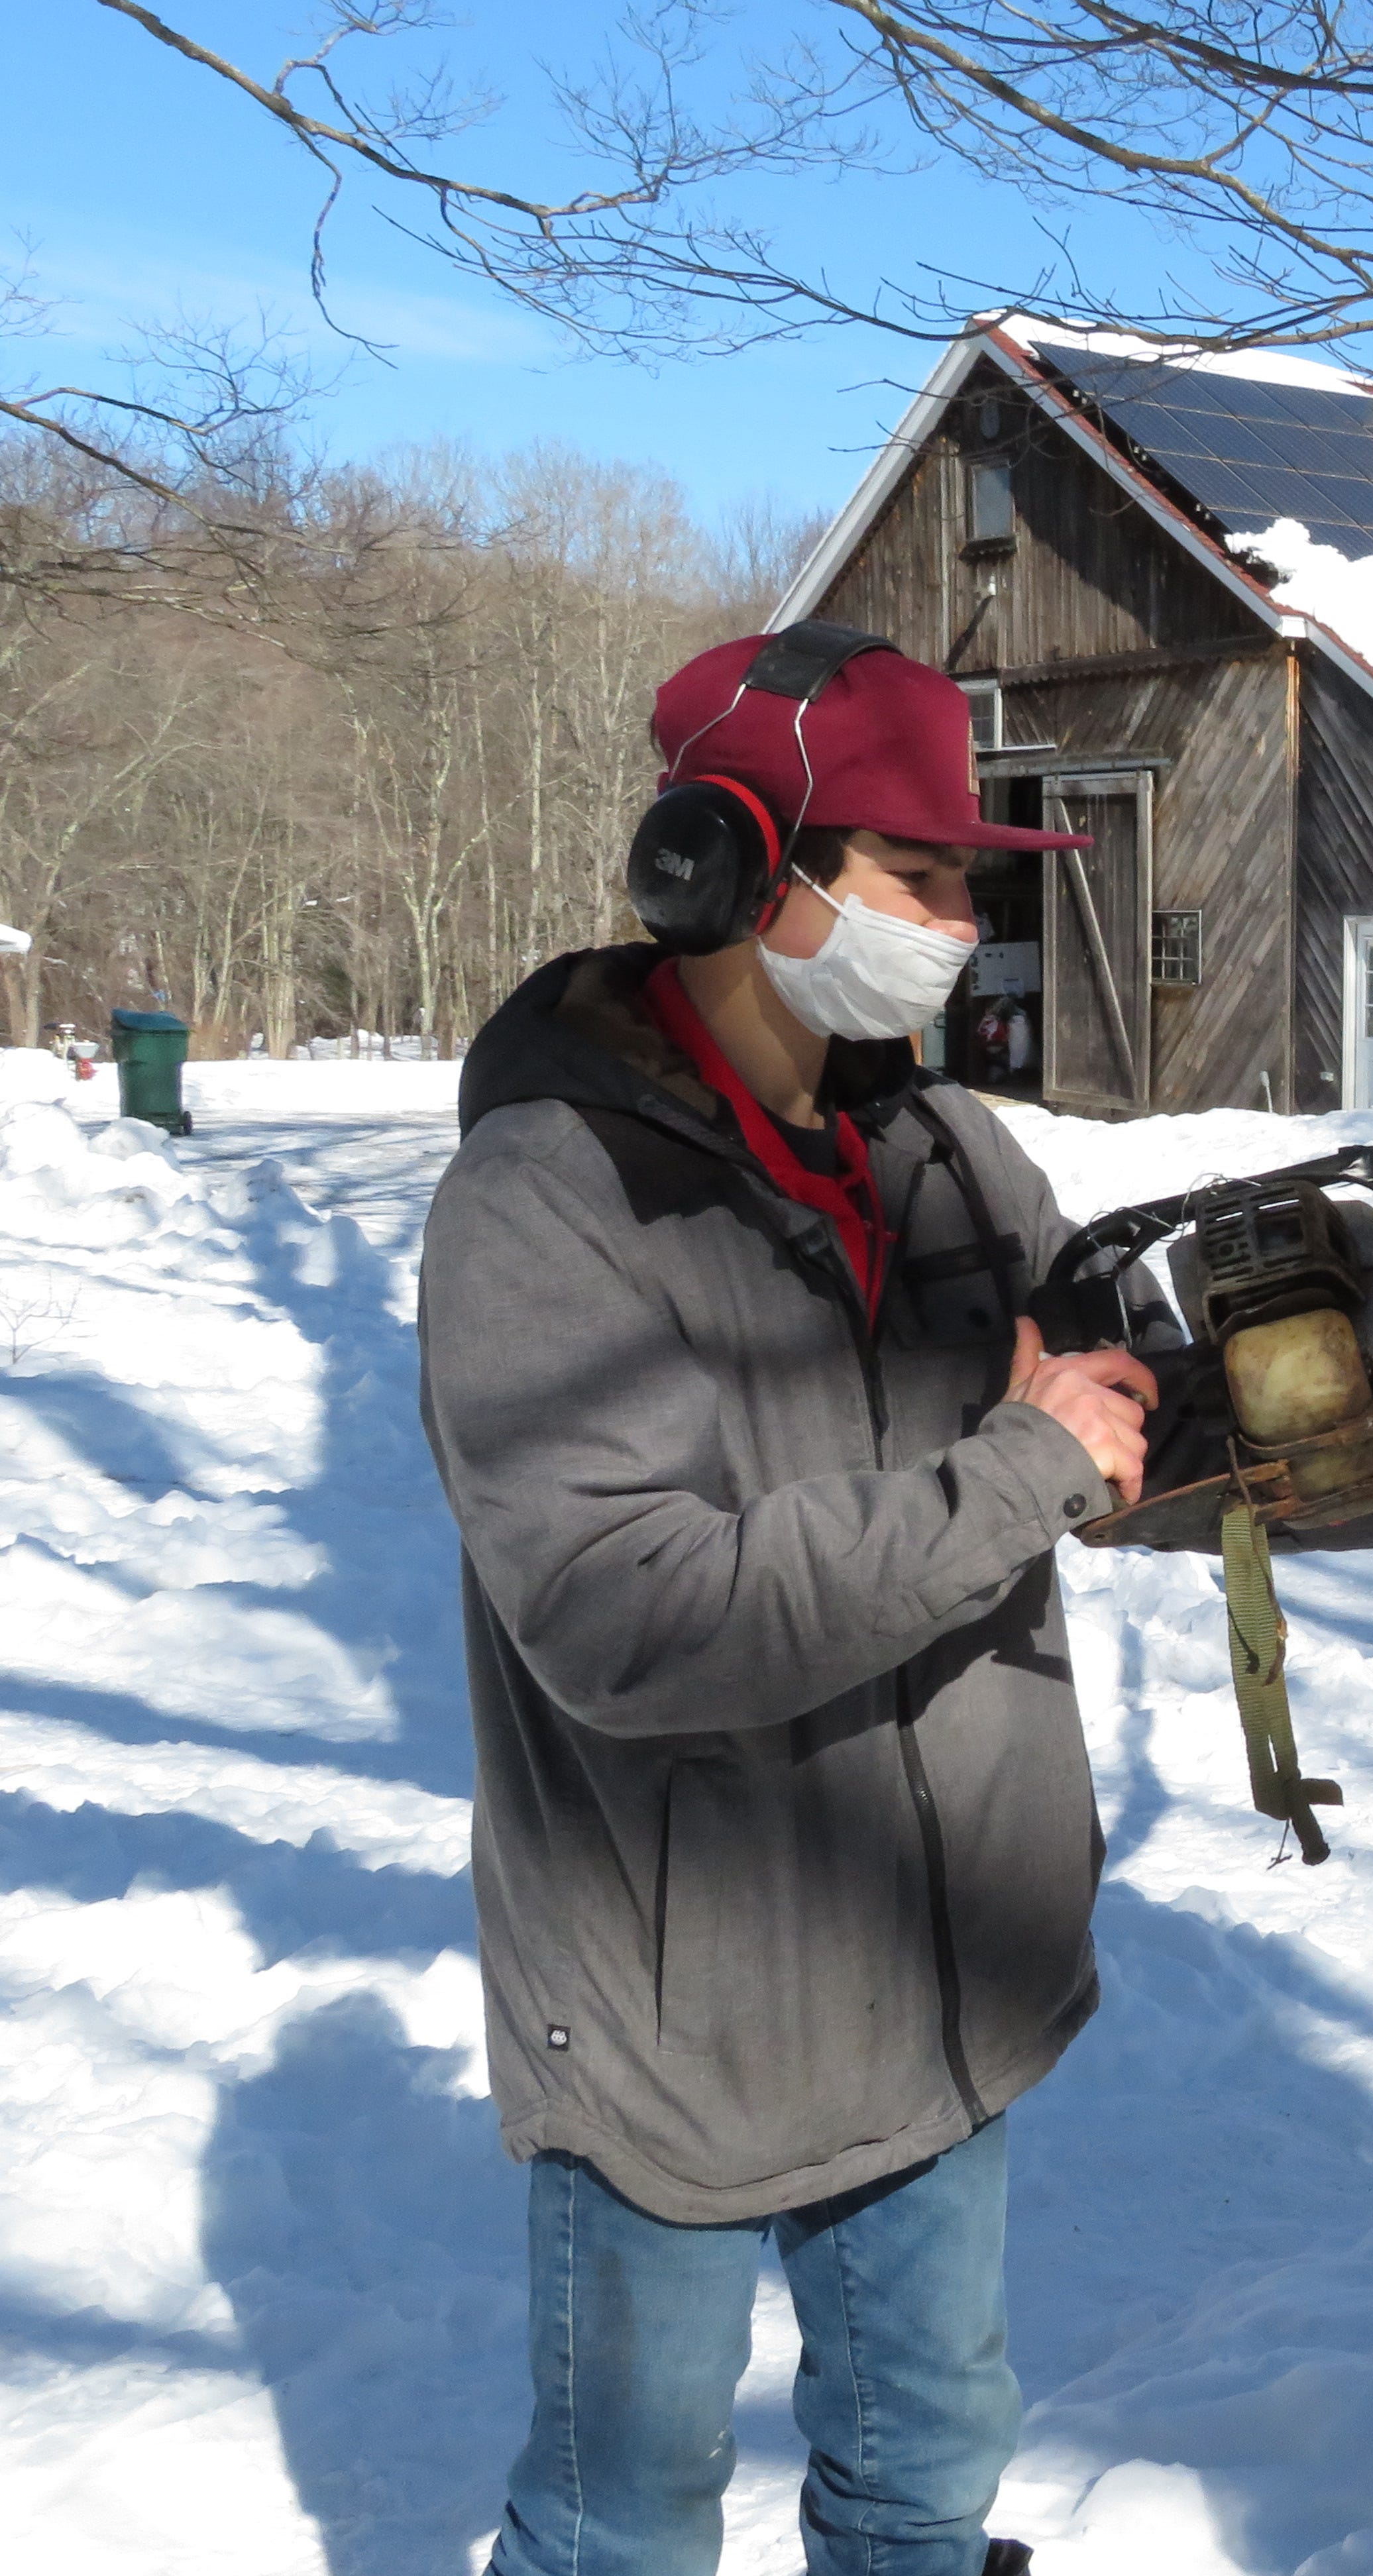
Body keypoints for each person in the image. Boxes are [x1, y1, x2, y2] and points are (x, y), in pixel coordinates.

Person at [417, 627, 1156, 2576]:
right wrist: (1014, 1472)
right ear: (737, 872)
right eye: (919, 875)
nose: (956, 924)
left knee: (926, 2483)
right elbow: (627, 1611)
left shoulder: (944, 1157)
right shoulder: (545, 1200)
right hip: (682, 2009)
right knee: (624, 2522)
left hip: (940, 1979)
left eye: (967, 884)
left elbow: (1129, 1405)